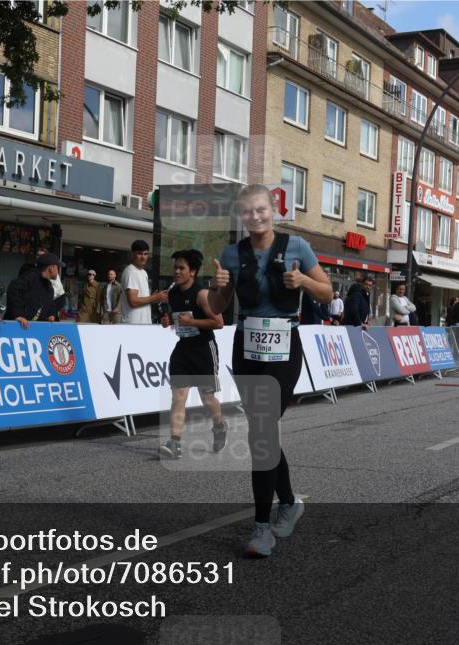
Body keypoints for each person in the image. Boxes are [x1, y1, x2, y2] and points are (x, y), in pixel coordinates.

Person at [209, 184, 333, 558]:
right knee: (261, 434)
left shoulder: (297, 247)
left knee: (262, 430)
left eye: (261, 209)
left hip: (285, 347)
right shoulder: (232, 253)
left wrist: (305, 282)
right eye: (247, 211)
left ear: (272, 209)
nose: (255, 216)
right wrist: (217, 288)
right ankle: (290, 502)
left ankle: (262, 527)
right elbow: (218, 308)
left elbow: (327, 293)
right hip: (246, 349)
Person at [157, 249, 227, 460]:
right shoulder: (172, 293)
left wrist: (192, 322)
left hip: (204, 349)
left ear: (193, 272)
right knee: (178, 396)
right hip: (183, 348)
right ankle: (175, 442)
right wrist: (167, 321)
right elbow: (176, 319)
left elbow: (219, 322)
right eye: (175, 267)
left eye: (182, 268)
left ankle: (219, 425)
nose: (176, 272)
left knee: (207, 398)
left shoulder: (202, 294)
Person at [5, 252, 62, 329]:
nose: (58, 271)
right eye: (57, 267)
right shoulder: (29, 277)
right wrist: (18, 315)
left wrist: (51, 314)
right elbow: (14, 289)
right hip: (15, 327)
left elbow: (49, 304)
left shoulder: (49, 287)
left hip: (31, 330)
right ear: (51, 268)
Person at [120, 240, 168, 324]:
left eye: (145, 254)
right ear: (132, 254)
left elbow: (142, 299)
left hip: (143, 324)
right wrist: (154, 297)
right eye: (139, 253)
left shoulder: (143, 272)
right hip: (133, 325)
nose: (143, 257)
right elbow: (133, 301)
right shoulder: (131, 271)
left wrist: (156, 298)